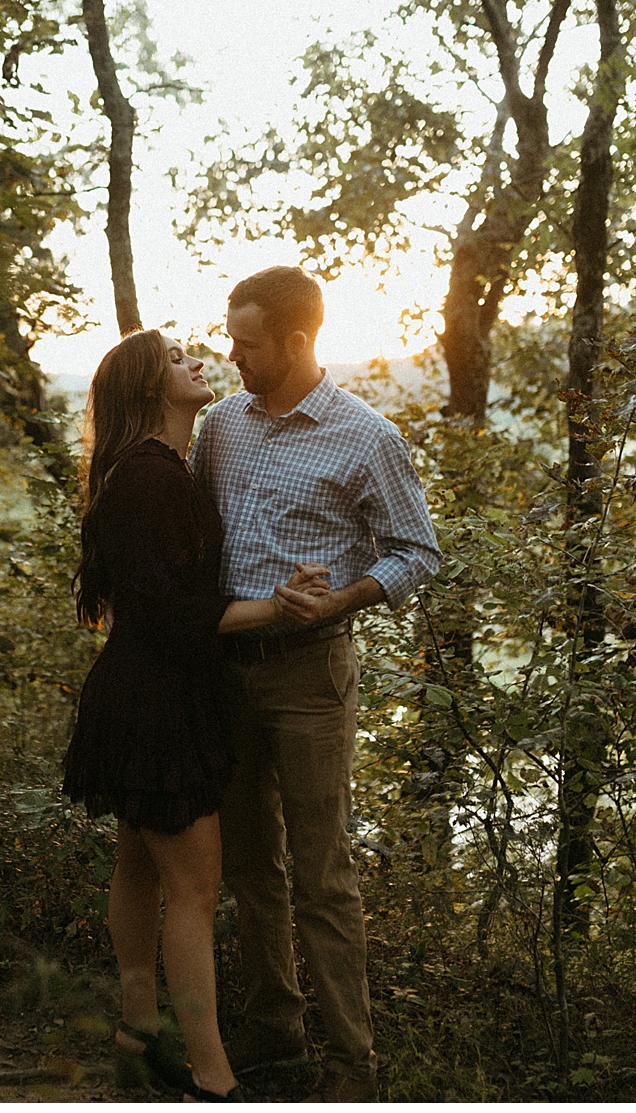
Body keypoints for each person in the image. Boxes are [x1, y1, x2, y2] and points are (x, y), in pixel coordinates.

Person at [188, 265, 441, 1102]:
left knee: (323, 873)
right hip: (226, 673)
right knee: (251, 865)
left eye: (247, 342)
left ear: (297, 341)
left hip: (309, 675)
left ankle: (350, 1064)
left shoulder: (367, 436)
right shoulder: (220, 426)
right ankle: (275, 1032)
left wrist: (345, 595)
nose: (232, 355)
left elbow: (416, 553)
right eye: (231, 337)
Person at [62, 327, 329, 1102]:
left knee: (141, 866)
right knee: (196, 888)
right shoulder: (152, 478)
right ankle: (212, 1071)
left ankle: (137, 1030)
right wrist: (273, 607)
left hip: (148, 691)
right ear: (151, 388)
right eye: (178, 359)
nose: (198, 361)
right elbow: (171, 612)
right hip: (157, 702)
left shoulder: (159, 468)